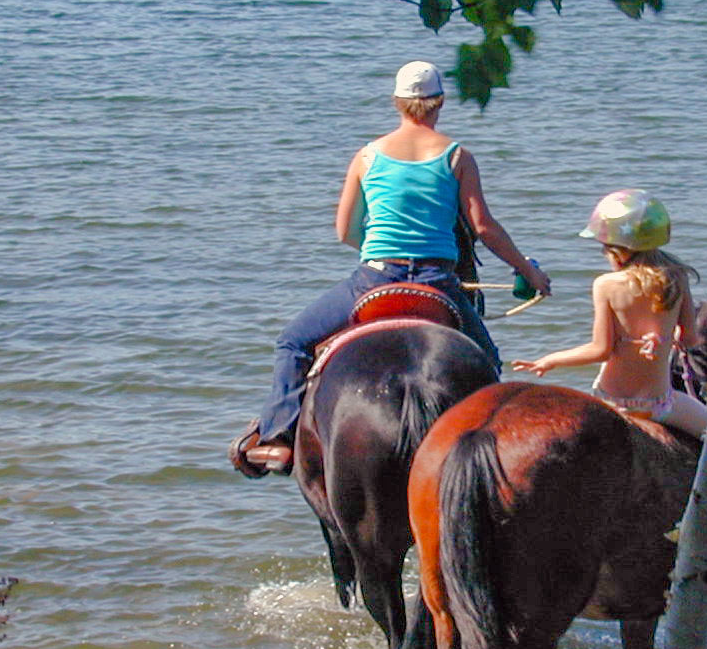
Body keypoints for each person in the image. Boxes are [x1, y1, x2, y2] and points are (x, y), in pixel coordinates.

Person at [229, 61, 551, 477]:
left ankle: (276, 438)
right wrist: (531, 272)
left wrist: (381, 250)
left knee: (293, 343)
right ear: (440, 103)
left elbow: (344, 230)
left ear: (397, 103)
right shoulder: (457, 157)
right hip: (439, 281)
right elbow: (484, 227)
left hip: (375, 278)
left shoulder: (367, 156)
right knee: (487, 359)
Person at [512, 188, 707, 439]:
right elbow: (690, 339)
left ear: (619, 250)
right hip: (658, 405)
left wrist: (551, 360)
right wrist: (663, 337)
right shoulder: (677, 277)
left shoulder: (606, 285)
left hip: (612, 402)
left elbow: (601, 349)